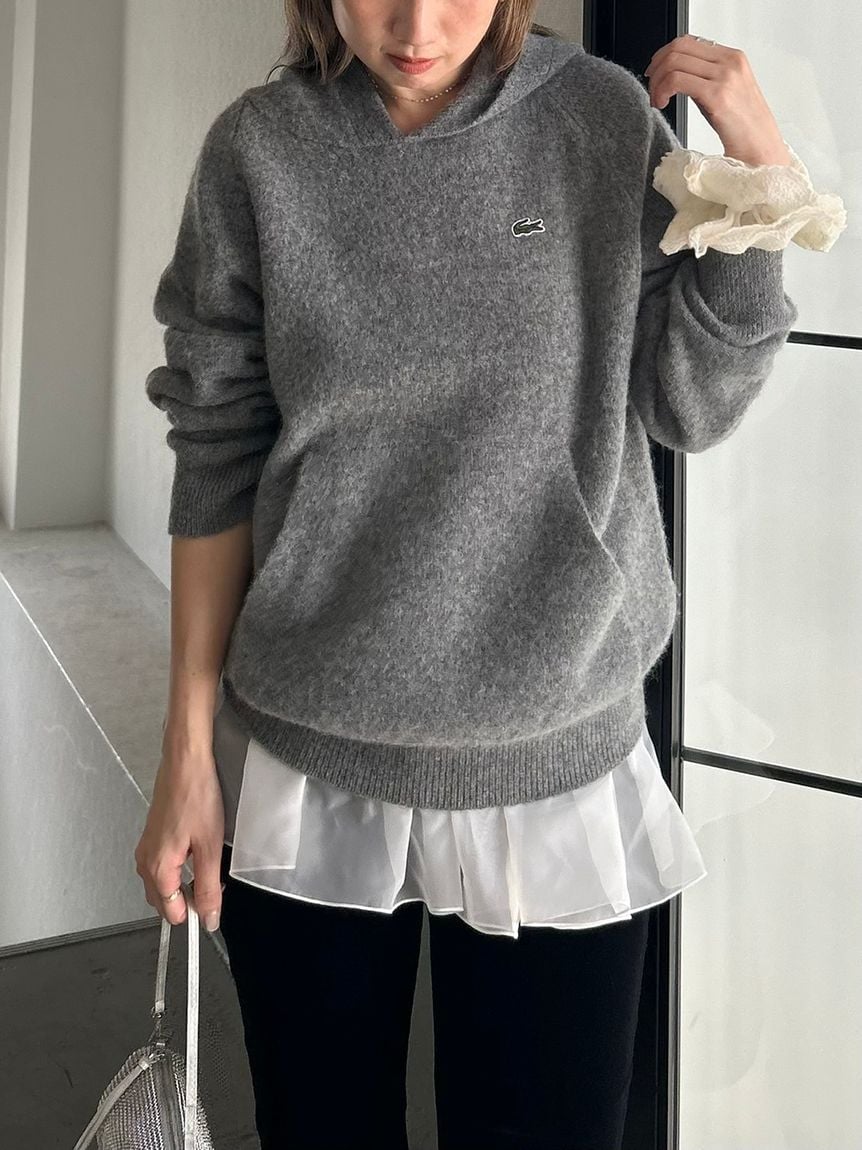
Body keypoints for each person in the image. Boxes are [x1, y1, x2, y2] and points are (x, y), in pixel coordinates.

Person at [135, 2, 845, 1147]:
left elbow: (689, 404)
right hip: (310, 762)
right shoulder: (258, 153)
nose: (417, 23)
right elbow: (216, 449)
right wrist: (185, 753)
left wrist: (761, 181)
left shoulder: (599, 119)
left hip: (556, 765)